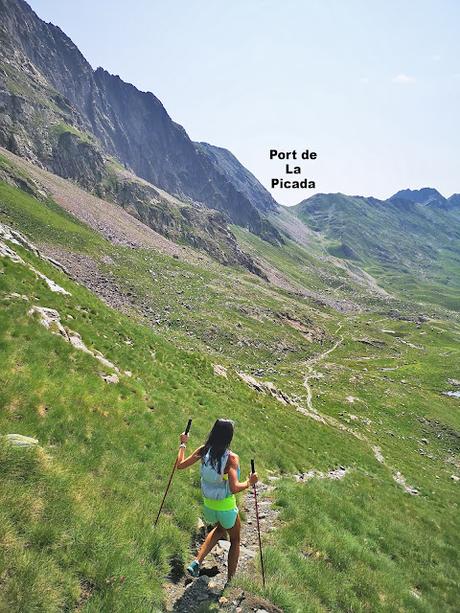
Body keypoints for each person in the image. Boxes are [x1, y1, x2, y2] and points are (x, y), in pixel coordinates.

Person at [176, 418, 258, 582]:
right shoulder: (231, 458)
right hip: (226, 506)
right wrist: (250, 482)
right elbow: (234, 488)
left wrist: (183, 444)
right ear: (229, 436)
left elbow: (180, 465)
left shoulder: (203, 450)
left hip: (208, 506)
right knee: (235, 540)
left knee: (220, 529)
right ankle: (230, 581)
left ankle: (196, 561)